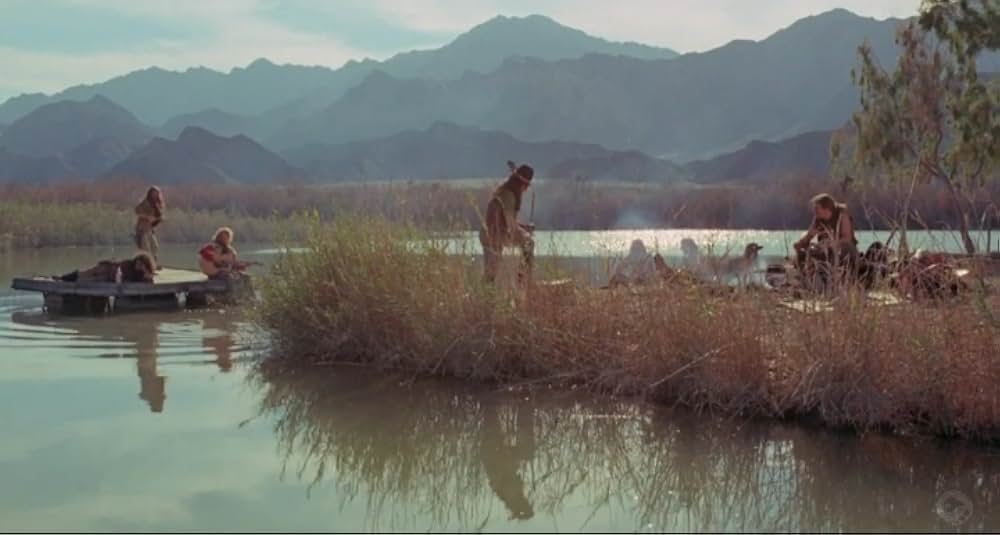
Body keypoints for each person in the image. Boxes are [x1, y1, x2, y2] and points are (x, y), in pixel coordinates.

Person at [480, 163, 535, 284]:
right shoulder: (508, 196)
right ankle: (523, 280)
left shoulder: (505, 192)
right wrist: (525, 232)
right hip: (494, 235)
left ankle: (486, 296)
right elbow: (511, 225)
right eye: (525, 186)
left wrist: (524, 227)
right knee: (529, 243)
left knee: (491, 272)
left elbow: (507, 220)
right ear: (522, 185)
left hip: (491, 233)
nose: (525, 190)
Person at [793, 193, 859, 288]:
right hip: (825, 252)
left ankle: (842, 281)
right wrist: (807, 238)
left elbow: (847, 238)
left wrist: (831, 243)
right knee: (805, 254)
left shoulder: (841, 214)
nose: (815, 212)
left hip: (844, 252)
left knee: (844, 249)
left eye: (817, 209)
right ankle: (811, 282)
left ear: (826, 208)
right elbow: (800, 244)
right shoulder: (818, 220)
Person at [56, 252, 156, 283]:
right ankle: (63, 278)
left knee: (89, 280)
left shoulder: (143, 274)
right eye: (137, 263)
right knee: (85, 272)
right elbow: (117, 265)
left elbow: (149, 279)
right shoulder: (129, 264)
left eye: (141, 264)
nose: (138, 266)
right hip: (107, 269)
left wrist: (144, 271)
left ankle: (68, 280)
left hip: (109, 279)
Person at [134, 186, 165, 264]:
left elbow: (158, 216)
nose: (155, 195)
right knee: (145, 249)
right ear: (150, 193)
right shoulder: (146, 202)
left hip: (150, 229)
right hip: (142, 229)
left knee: (155, 247)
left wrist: (159, 219)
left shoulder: (157, 204)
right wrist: (147, 217)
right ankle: (148, 266)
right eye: (154, 193)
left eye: (157, 193)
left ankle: (153, 264)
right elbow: (137, 211)